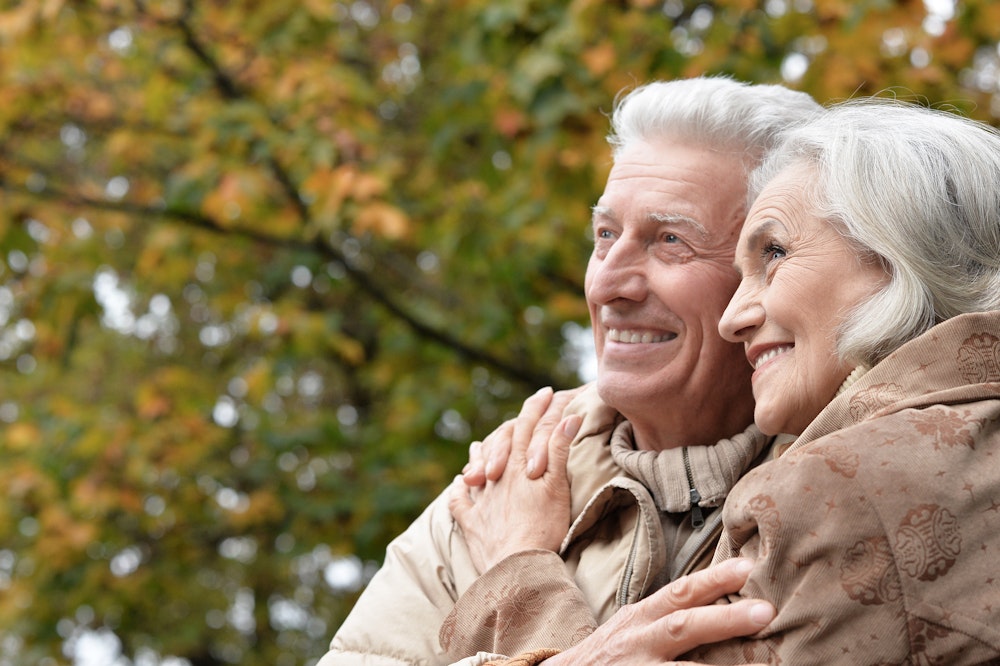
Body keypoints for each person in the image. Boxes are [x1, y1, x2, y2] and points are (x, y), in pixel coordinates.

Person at [317, 76, 822, 665]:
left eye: (670, 240)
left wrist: (518, 578)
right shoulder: (504, 483)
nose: (607, 283)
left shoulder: (850, 475)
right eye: (605, 235)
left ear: (769, 267)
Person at [487, 98, 1000, 664]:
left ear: (902, 255)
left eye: (773, 253)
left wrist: (517, 571)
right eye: (604, 234)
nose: (733, 318)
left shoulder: (834, 492)